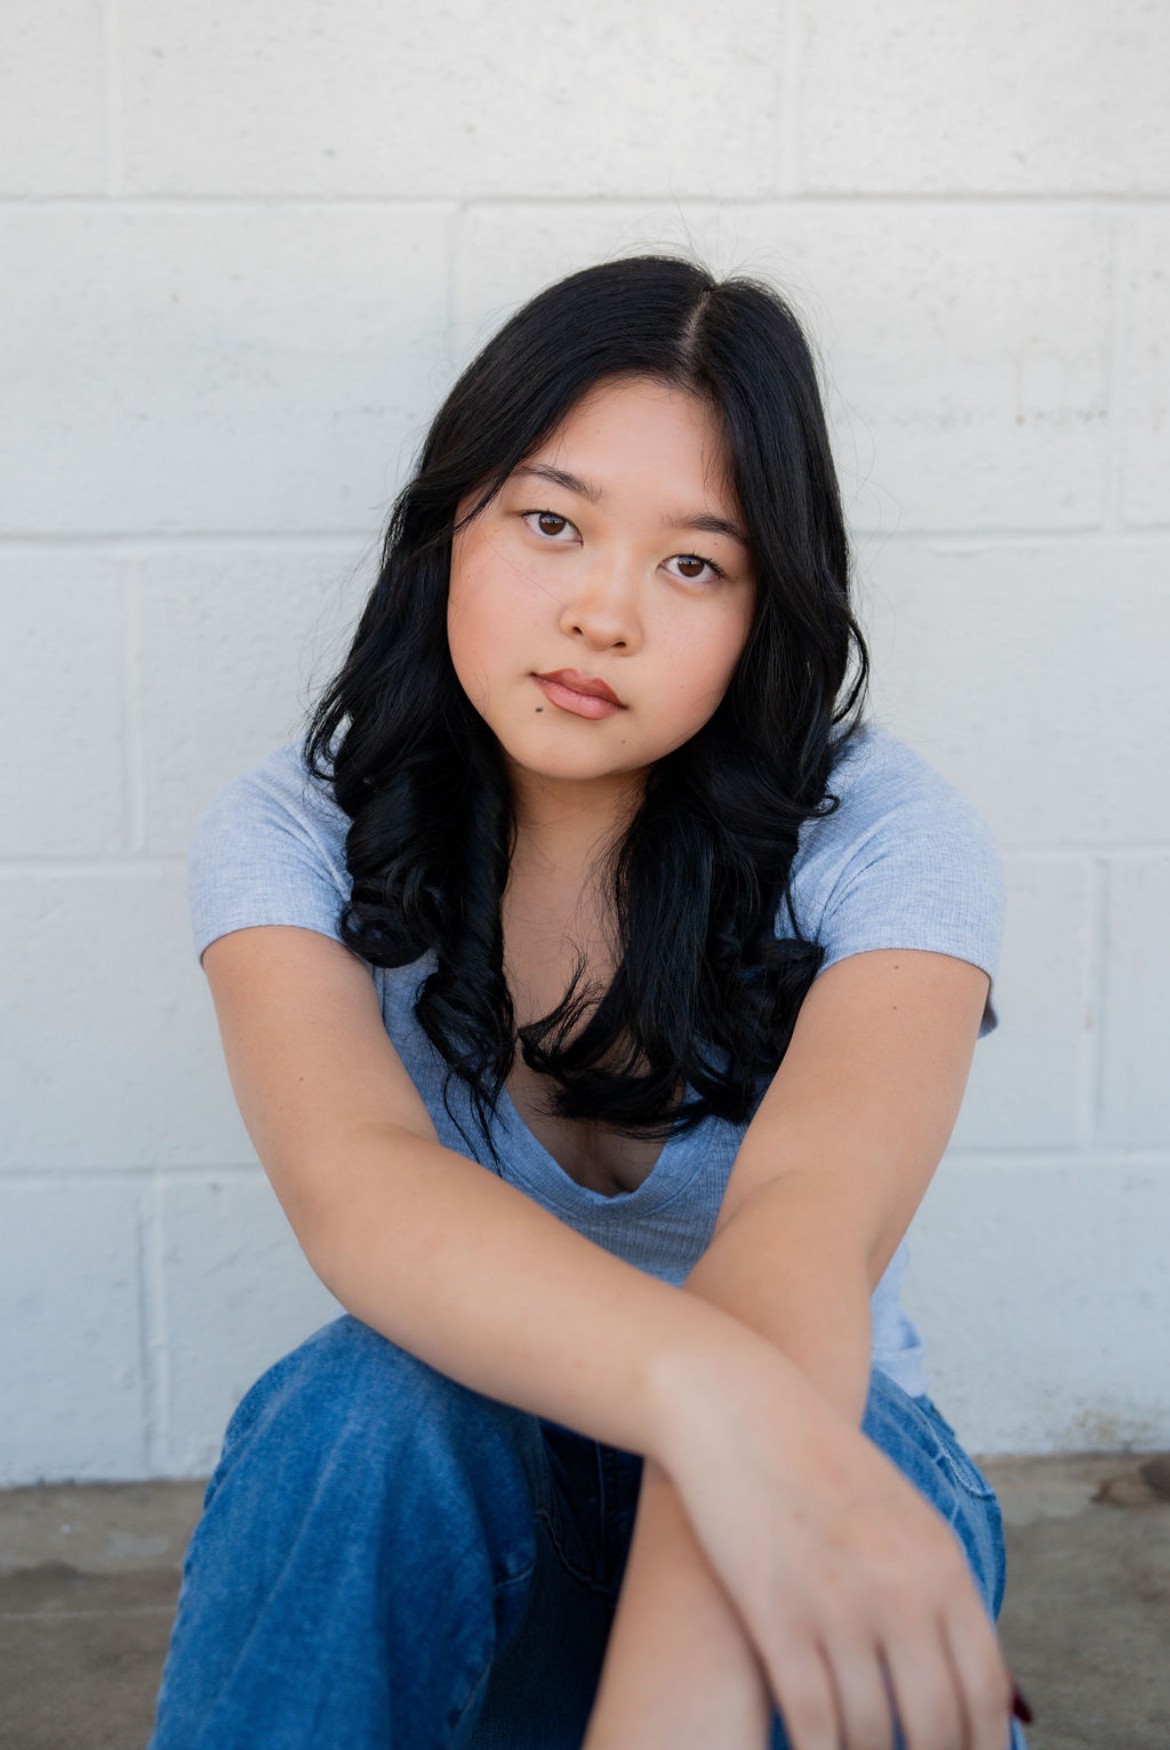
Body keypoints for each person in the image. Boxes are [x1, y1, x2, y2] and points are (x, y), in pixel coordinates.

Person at [149, 253, 1030, 1750]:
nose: (602, 613)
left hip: (798, 1519)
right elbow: (362, 1190)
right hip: (483, 1547)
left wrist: (727, 1486)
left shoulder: (884, 835)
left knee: (845, 1424)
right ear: (449, 529)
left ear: (765, 609)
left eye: (694, 562)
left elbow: (802, 1226)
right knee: (368, 1403)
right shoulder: (293, 830)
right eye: (550, 523)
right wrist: (705, 1394)